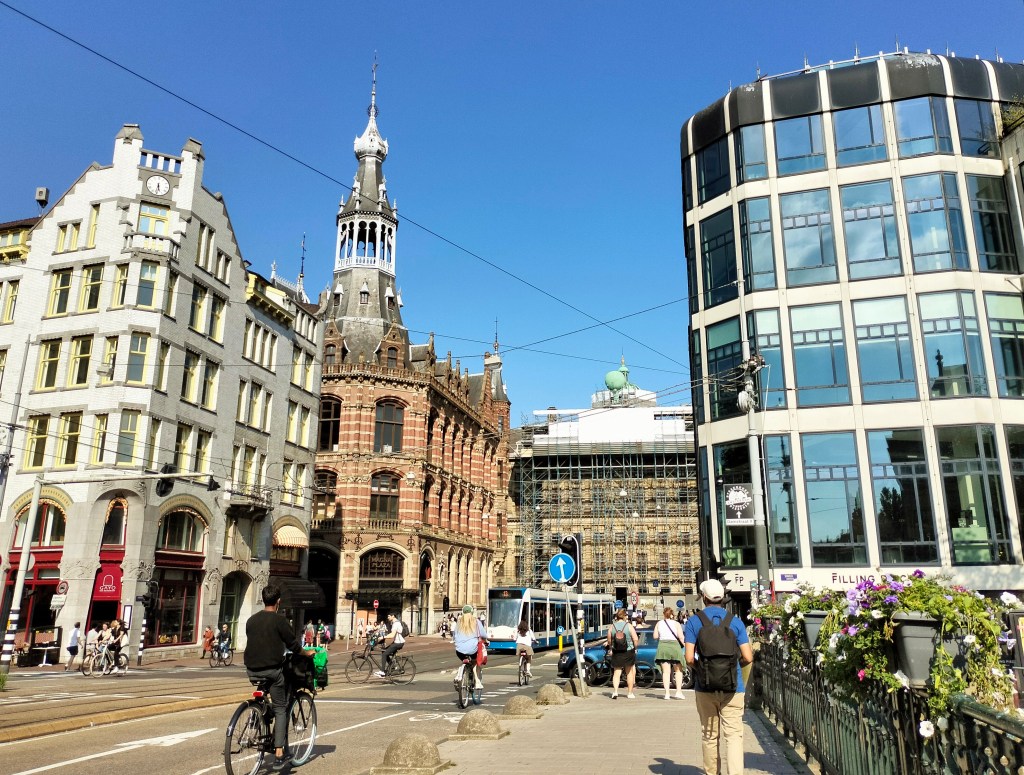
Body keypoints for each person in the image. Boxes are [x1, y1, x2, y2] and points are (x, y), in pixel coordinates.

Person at [684, 579, 754, 775]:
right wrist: (732, 669)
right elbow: (748, 657)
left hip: (704, 687)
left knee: (709, 734)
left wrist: (702, 670)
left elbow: (689, 658)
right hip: (733, 687)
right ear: (723, 598)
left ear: (703, 598)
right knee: (734, 736)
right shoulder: (735, 622)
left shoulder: (694, 621)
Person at [244, 584, 316, 772]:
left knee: (264, 696)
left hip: (251, 670)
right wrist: (306, 653)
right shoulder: (280, 620)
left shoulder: (251, 620)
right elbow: (293, 644)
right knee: (281, 707)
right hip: (272, 671)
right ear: (278, 602)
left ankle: (257, 714)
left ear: (263, 599)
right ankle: (278, 754)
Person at [653, 606, 687, 700]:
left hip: (663, 647)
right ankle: (678, 692)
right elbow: (681, 637)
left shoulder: (659, 623)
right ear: (672, 615)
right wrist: (685, 645)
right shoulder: (676, 624)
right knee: (678, 670)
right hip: (674, 647)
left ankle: (667, 693)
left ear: (664, 614)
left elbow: (655, 636)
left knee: (666, 672)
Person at [452, 604, 488, 689]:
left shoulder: (459, 622)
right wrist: (486, 641)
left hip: (459, 650)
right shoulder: (476, 621)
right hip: (472, 650)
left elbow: (454, 636)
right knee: (475, 662)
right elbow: (483, 635)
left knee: (464, 659)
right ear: (472, 612)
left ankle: (459, 675)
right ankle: (477, 682)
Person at [606, 608, 638, 699]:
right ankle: (630, 693)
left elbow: (609, 640)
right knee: (629, 672)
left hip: (617, 652)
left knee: (617, 672)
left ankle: (615, 692)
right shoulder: (629, 626)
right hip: (628, 651)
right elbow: (635, 639)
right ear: (624, 616)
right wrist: (635, 648)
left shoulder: (612, 626)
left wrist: (611, 647)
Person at [375, 612, 405, 677]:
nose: (388, 618)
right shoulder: (395, 623)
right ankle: (393, 666)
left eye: (389, 616)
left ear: (393, 616)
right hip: (396, 642)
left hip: (398, 643)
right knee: (384, 651)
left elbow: (392, 635)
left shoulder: (396, 624)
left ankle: (382, 671)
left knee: (385, 654)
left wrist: (383, 637)